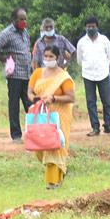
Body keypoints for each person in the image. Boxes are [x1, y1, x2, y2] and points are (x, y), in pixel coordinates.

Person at [27, 44, 75, 189]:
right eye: (46, 56)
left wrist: (53, 98)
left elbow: (71, 97)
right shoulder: (37, 73)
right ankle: (59, 175)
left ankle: (52, 183)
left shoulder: (63, 77)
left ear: (58, 58)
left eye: (51, 57)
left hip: (59, 116)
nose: (48, 59)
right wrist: (34, 99)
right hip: (41, 114)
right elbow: (29, 92)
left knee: (54, 146)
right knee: (40, 145)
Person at [0, 8, 32, 142]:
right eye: (21, 19)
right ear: (13, 20)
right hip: (15, 75)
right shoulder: (7, 33)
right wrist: (4, 59)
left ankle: (33, 131)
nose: (24, 22)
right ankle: (16, 135)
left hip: (27, 74)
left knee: (30, 104)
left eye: (25, 19)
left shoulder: (25, 33)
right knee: (14, 105)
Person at [76, 15, 110, 137]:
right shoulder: (81, 42)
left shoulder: (104, 40)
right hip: (88, 75)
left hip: (103, 74)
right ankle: (95, 128)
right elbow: (79, 60)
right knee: (91, 102)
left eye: (93, 26)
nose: (91, 29)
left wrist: (103, 66)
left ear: (97, 27)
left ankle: (108, 125)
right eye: (88, 27)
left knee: (107, 100)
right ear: (85, 28)